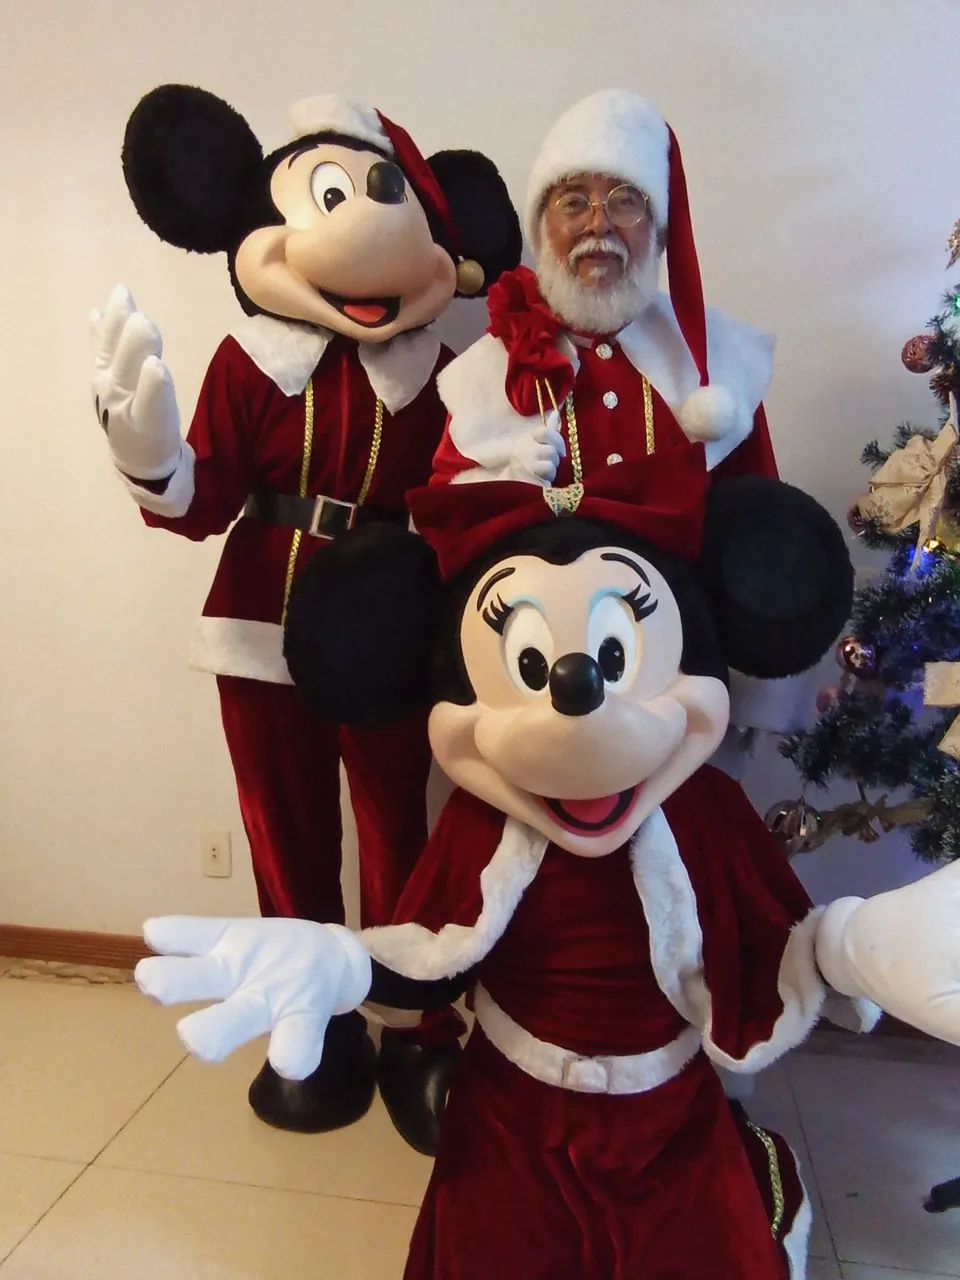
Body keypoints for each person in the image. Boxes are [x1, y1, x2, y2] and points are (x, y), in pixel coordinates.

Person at [90, 83, 520, 1149]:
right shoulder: (251, 366)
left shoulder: (450, 375)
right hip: (259, 626)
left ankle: (414, 1027)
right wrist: (152, 462)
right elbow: (200, 505)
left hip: (387, 633)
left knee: (400, 831)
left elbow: (473, 504)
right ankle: (313, 1025)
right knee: (283, 833)